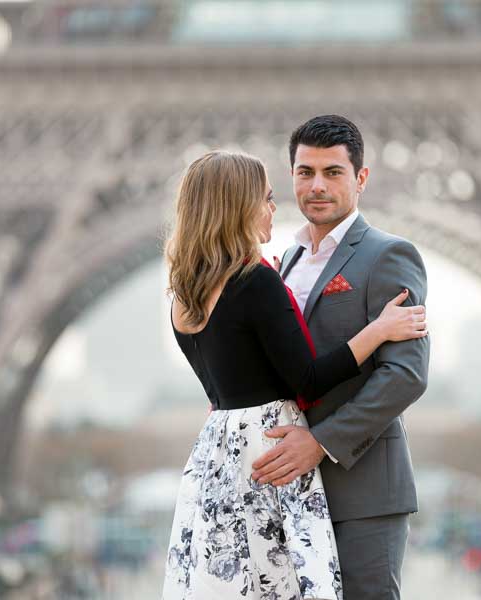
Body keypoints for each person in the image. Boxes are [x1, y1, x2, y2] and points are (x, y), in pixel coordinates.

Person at [161, 150, 428, 599]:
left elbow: (224, 384)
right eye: (266, 199)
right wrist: (378, 329)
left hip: (221, 458)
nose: (273, 208)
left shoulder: (183, 297)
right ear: (238, 206)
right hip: (274, 454)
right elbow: (306, 380)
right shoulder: (260, 278)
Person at [250, 115, 430, 599]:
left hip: (364, 491)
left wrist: (320, 442)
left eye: (333, 172)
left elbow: (405, 376)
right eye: (305, 172)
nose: (317, 185)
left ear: (361, 179)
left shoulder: (389, 256)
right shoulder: (284, 262)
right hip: (287, 491)